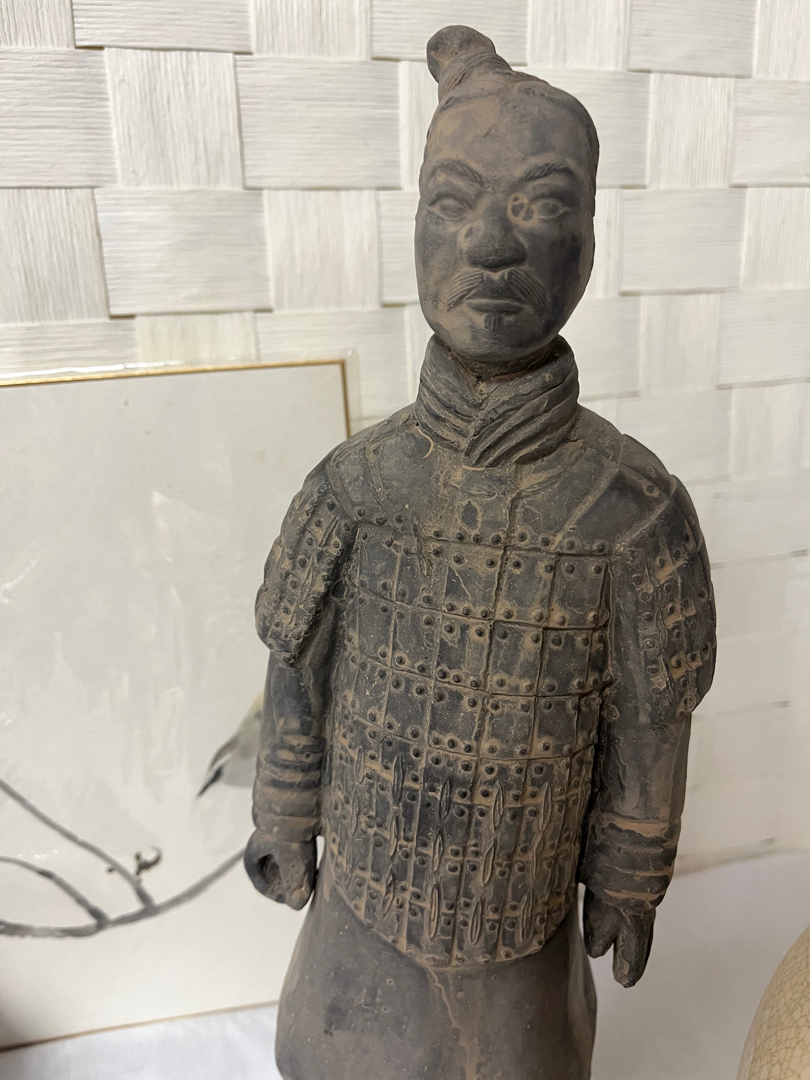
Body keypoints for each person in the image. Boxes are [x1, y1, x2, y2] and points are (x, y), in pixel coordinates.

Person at [245, 25, 716, 1080]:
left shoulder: (635, 511)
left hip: (523, 926)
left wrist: (629, 873)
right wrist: (283, 810)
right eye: (452, 201)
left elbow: (654, 721)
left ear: (588, 245)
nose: (492, 243)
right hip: (358, 918)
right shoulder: (355, 485)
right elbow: (297, 670)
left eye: (543, 205)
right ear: (416, 230)